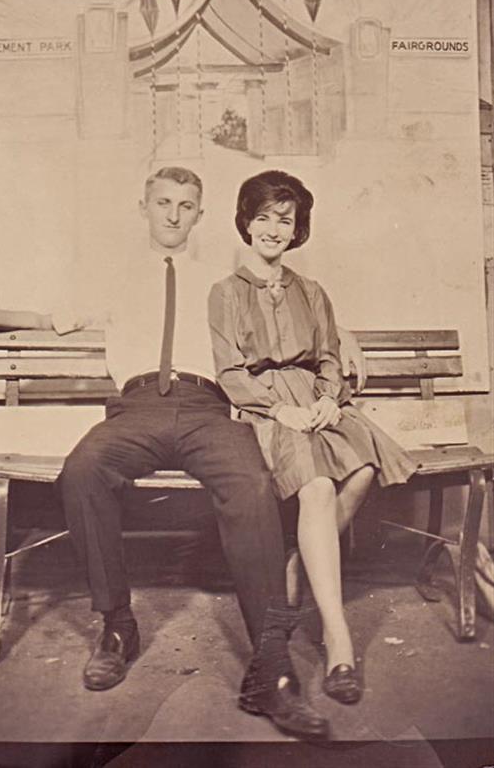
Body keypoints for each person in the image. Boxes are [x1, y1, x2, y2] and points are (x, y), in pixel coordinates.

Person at [0, 166, 365, 740]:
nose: (173, 214)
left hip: (207, 410)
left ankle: (271, 667)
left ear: (200, 214)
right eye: (163, 202)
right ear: (143, 207)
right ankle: (117, 624)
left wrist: (348, 339)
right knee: (83, 470)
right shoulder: (112, 275)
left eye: (186, 205)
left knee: (252, 485)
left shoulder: (226, 277)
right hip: (137, 408)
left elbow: (290, 306)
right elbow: (48, 319)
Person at [208, 169, 417, 706]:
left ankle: (300, 561)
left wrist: (327, 398)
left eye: (285, 220)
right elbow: (230, 372)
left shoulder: (313, 291)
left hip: (316, 401)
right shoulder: (225, 292)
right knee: (318, 488)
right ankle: (338, 635)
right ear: (245, 223)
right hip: (264, 408)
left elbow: (328, 358)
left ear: (298, 228)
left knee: (364, 467)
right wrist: (281, 409)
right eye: (263, 218)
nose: (273, 230)